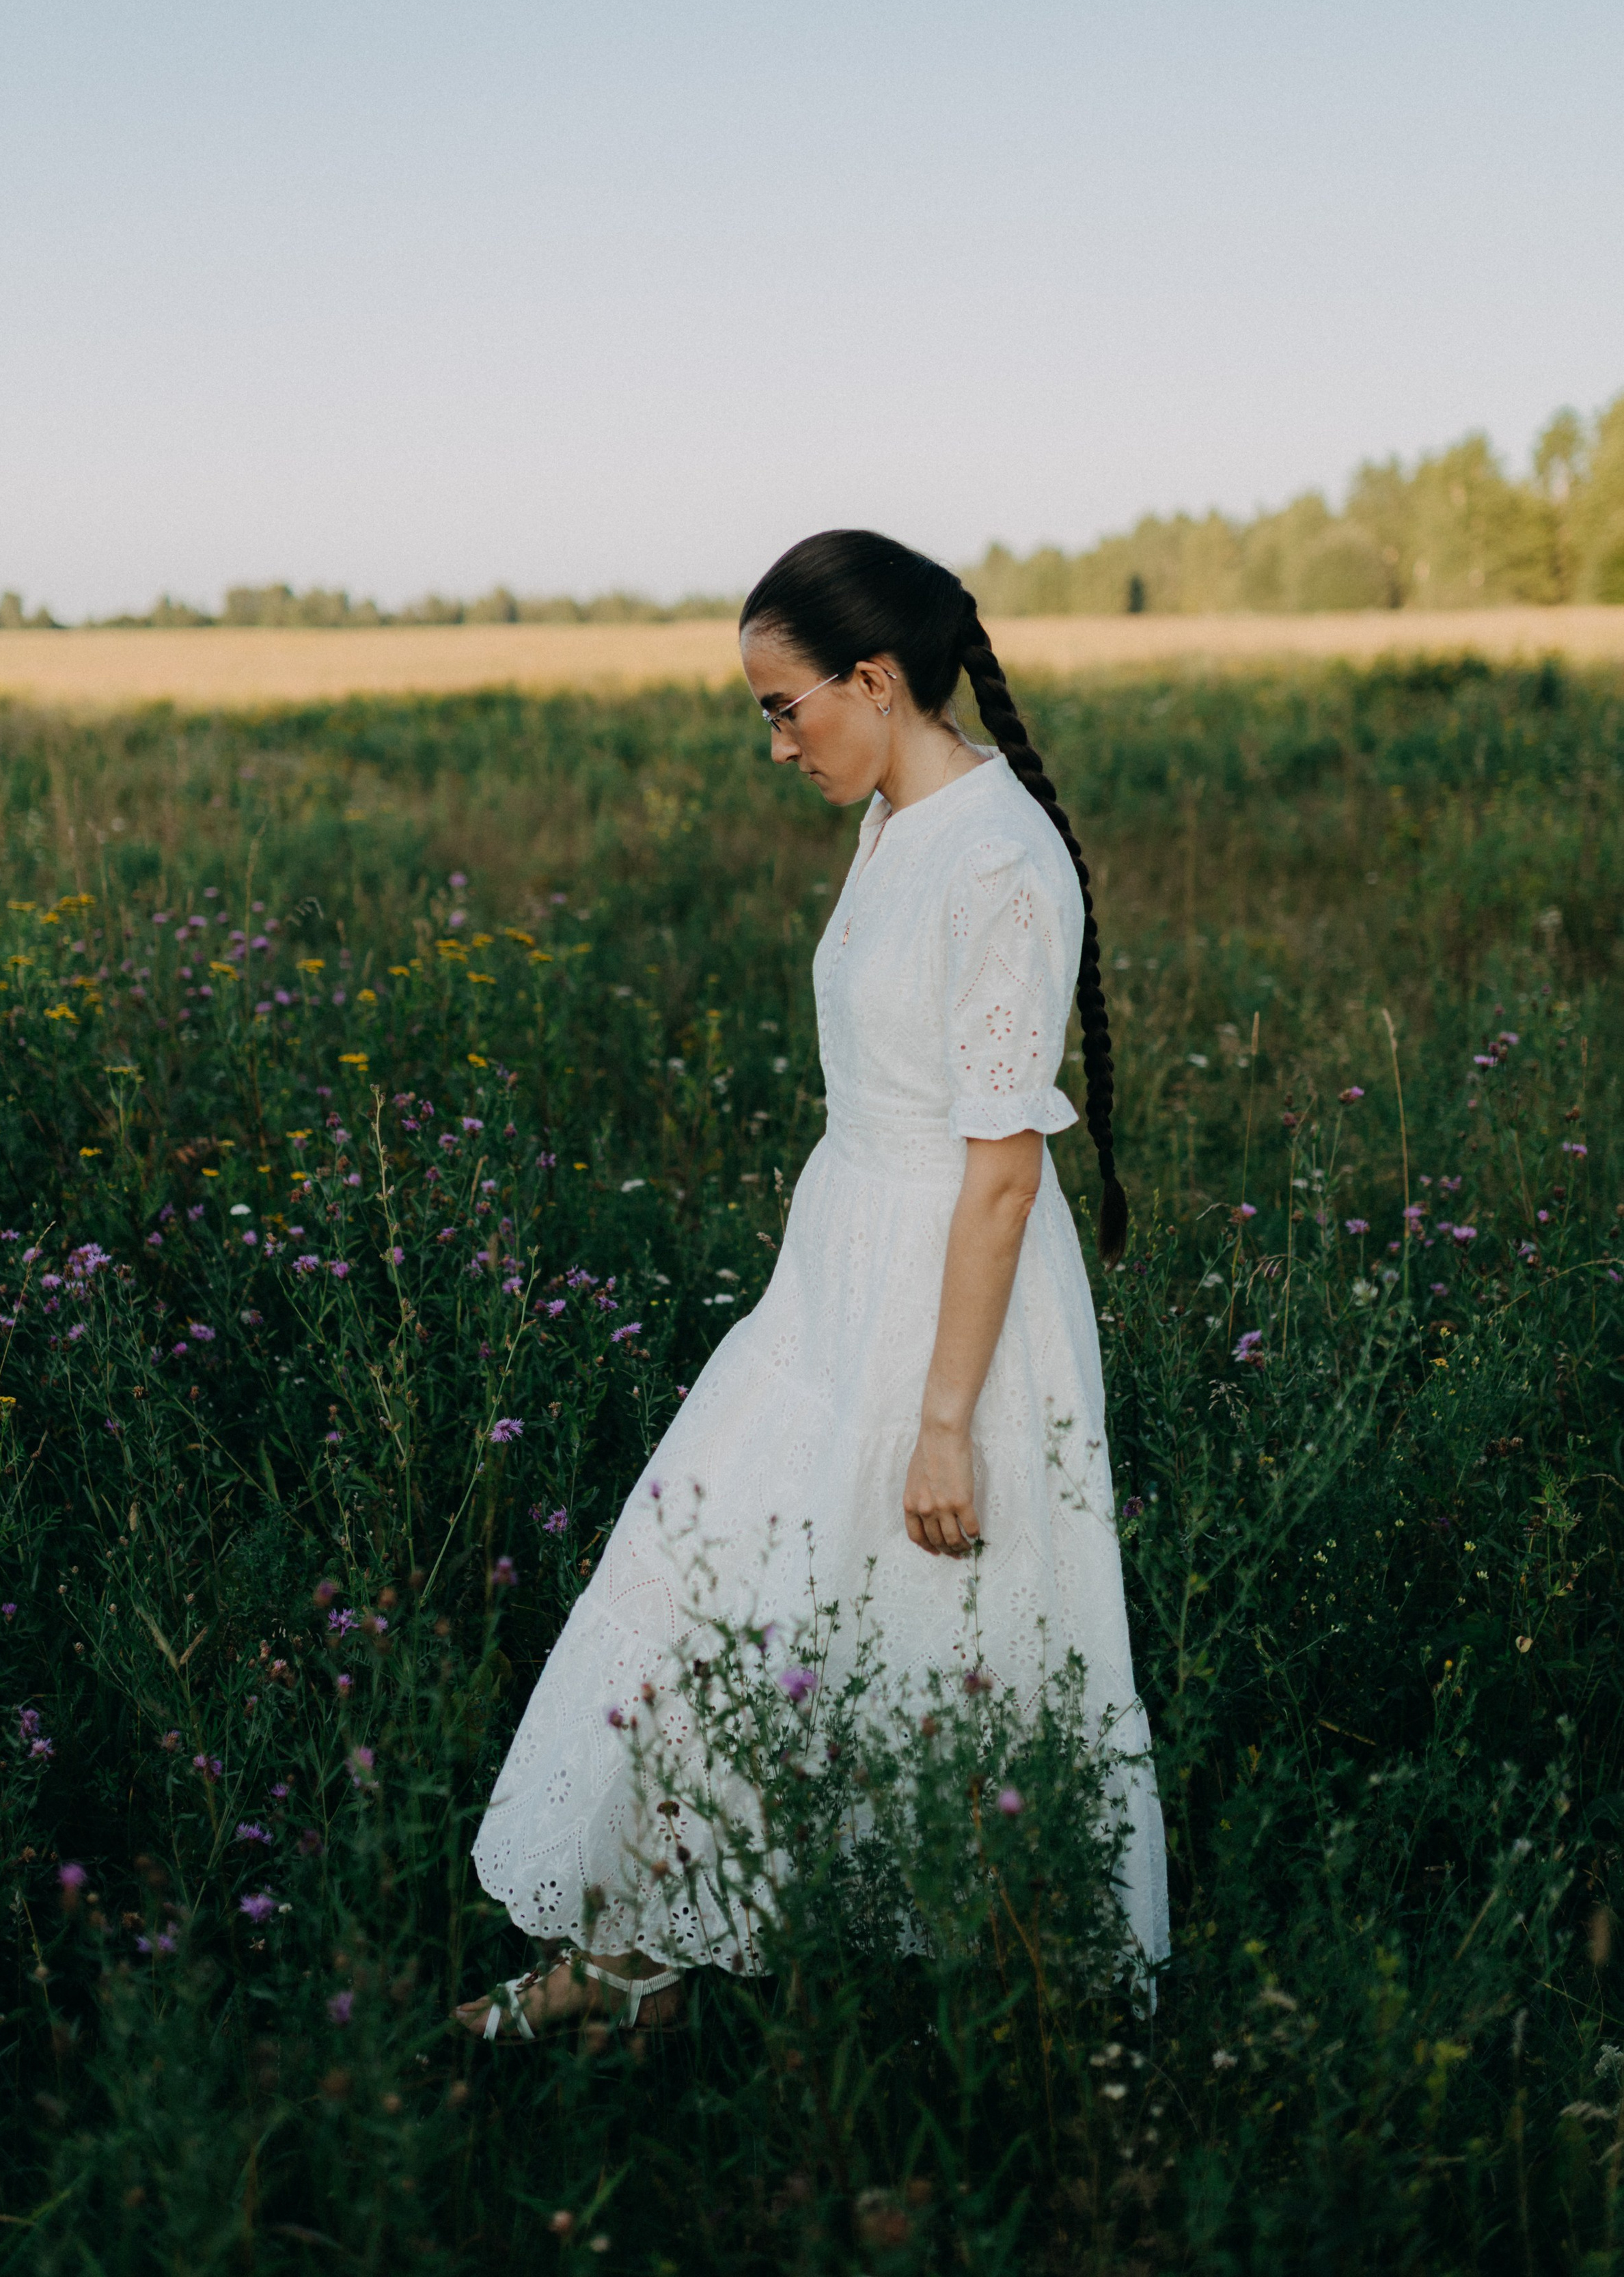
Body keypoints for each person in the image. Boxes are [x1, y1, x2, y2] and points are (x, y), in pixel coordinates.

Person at [459, 531, 1168, 2042]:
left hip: (947, 1301)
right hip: (838, 1271)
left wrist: (942, 1421)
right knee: (705, 1588)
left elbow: (997, 1171)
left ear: (876, 678)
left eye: (784, 707)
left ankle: (999, 2024)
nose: (772, 743)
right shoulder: (897, 818)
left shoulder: (997, 860)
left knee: (935, 1642)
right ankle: (640, 1960)